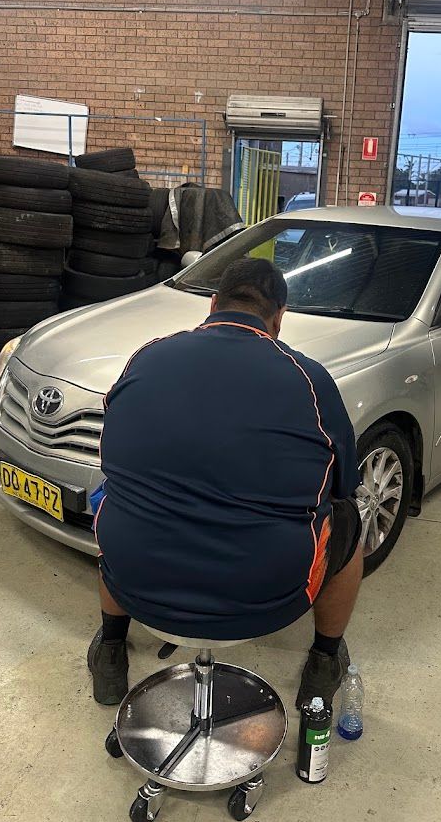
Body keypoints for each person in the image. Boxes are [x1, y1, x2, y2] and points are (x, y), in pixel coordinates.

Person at [88, 257, 364, 709]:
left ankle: (111, 650)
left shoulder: (148, 356)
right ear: (279, 318)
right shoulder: (309, 380)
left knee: (112, 498)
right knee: (350, 521)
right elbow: (341, 486)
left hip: (136, 584)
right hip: (266, 600)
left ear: (213, 305)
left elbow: (113, 451)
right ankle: (324, 661)